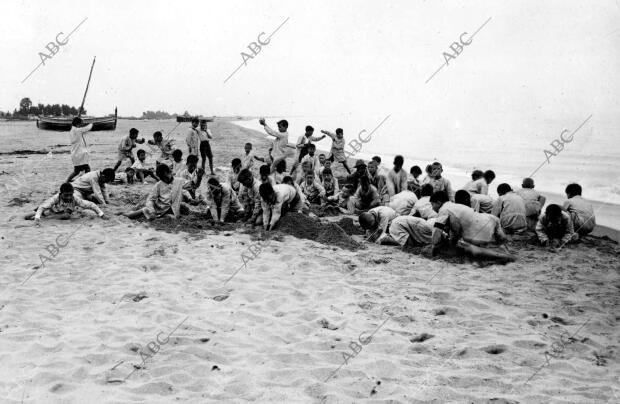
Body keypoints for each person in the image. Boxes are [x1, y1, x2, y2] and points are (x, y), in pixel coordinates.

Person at [429, 191, 514, 262]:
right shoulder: (454, 206)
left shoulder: (443, 209)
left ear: (438, 202)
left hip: (479, 232)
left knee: (467, 248)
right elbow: (457, 229)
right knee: (499, 244)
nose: (432, 208)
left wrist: (434, 247)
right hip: (489, 220)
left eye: (432, 204)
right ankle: (503, 250)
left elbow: (437, 230)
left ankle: (501, 256)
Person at [124, 164, 195, 220]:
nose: (165, 180)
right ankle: (123, 214)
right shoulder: (158, 185)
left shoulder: (179, 181)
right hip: (158, 209)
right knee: (133, 215)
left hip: (172, 209)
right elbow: (150, 199)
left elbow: (192, 184)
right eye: (162, 178)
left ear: (170, 172)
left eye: (166, 177)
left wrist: (199, 177)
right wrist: (152, 211)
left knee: (174, 216)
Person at [25, 182, 107, 225]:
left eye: (70, 195)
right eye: (66, 195)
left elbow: (91, 205)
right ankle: (42, 215)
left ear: (73, 193)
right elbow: (43, 207)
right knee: (27, 216)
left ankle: (47, 217)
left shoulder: (75, 198)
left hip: (63, 212)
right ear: (61, 193)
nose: (68, 197)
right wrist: (37, 218)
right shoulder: (56, 197)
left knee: (66, 216)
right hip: (52, 210)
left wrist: (101, 215)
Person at [67, 117, 94, 182]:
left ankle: (67, 180)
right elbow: (87, 128)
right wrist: (92, 123)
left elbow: (83, 129)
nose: (81, 125)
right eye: (80, 124)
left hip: (75, 153)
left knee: (77, 171)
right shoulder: (77, 130)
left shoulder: (72, 131)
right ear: (77, 123)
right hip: (79, 154)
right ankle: (86, 181)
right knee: (87, 168)